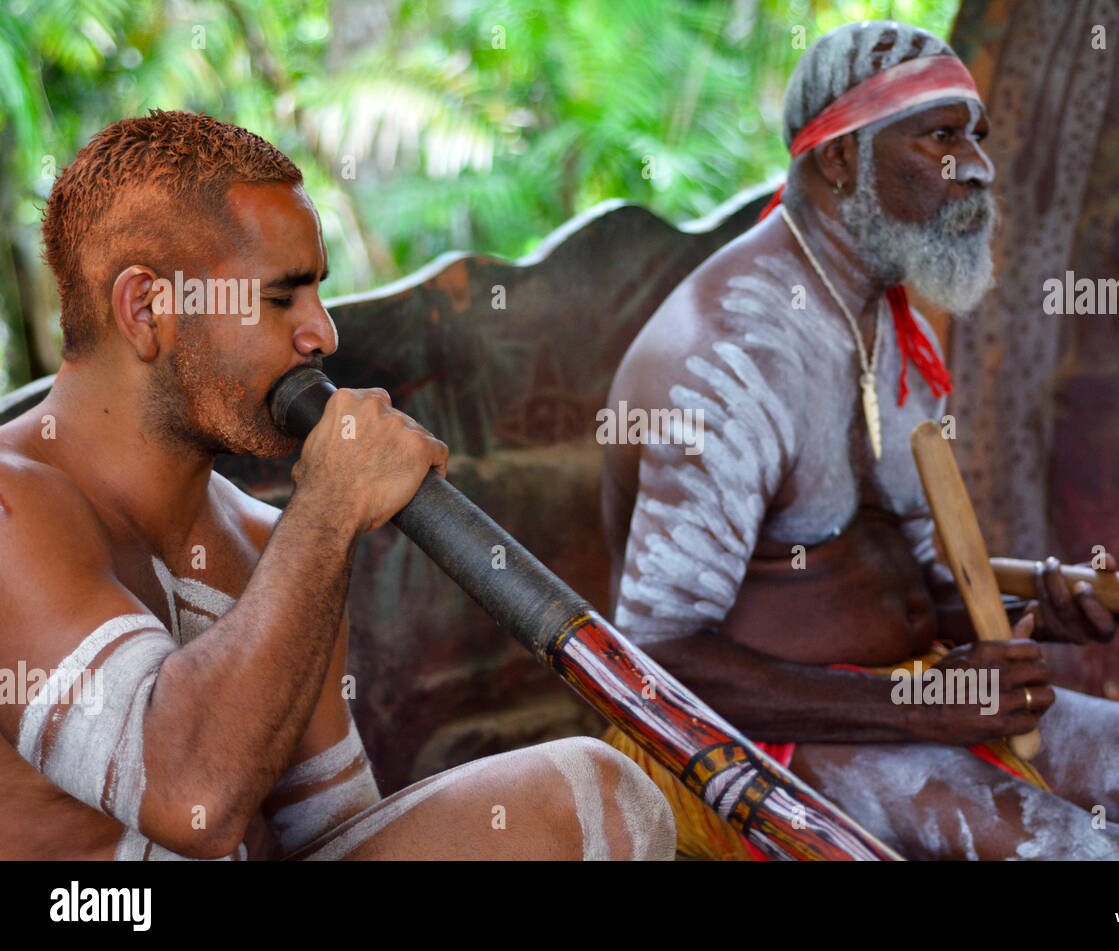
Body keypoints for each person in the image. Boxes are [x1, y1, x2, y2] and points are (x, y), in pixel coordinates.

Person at [600, 21, 1119, 860]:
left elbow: (902, 584)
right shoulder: (727, 354)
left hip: (915, 694)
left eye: (978, 134)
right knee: (1087, 856)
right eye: (941, 136)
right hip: (745, 744)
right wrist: (923, 711)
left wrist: (1037, 609)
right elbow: (655, 667)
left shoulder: (889, 319)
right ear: (838, 161)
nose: (979, 164)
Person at [0, 110, 675, 861]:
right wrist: (327, 510)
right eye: (281, 298)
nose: (322, 333)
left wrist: (316, 528)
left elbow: (333, 836)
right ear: (147, 308)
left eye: (318, 292)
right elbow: (191, 800)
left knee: (598, 796)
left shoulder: (267, 546)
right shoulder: (11, 507)